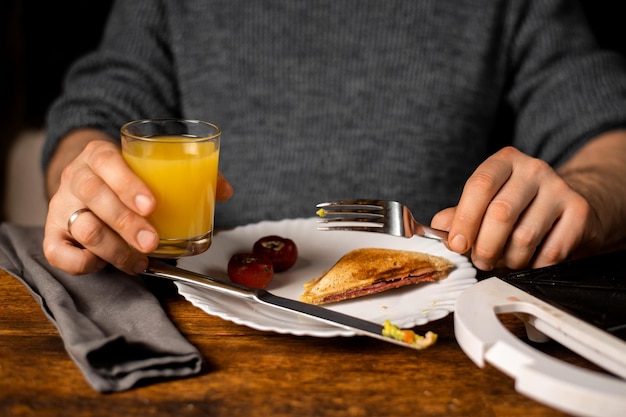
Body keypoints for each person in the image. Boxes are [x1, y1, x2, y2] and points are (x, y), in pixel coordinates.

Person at [42, 0, 626, 276]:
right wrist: (86, 176)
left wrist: (586, 195)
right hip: (198, 308)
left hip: (443, 333)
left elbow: (604, 125)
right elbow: (101, 106)